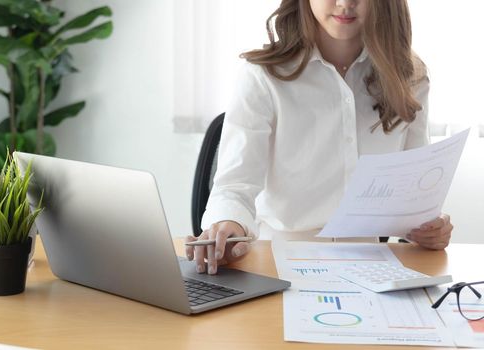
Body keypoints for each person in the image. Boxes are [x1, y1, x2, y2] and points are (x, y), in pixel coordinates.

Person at [185, 0, 454, 275]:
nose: (345, 3)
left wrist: (428, 228)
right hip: (277, 260)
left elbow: (413, 196)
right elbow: (234, 186)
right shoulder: (262, 76)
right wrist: (229, 224)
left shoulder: (408, 76)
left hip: (373, 265)